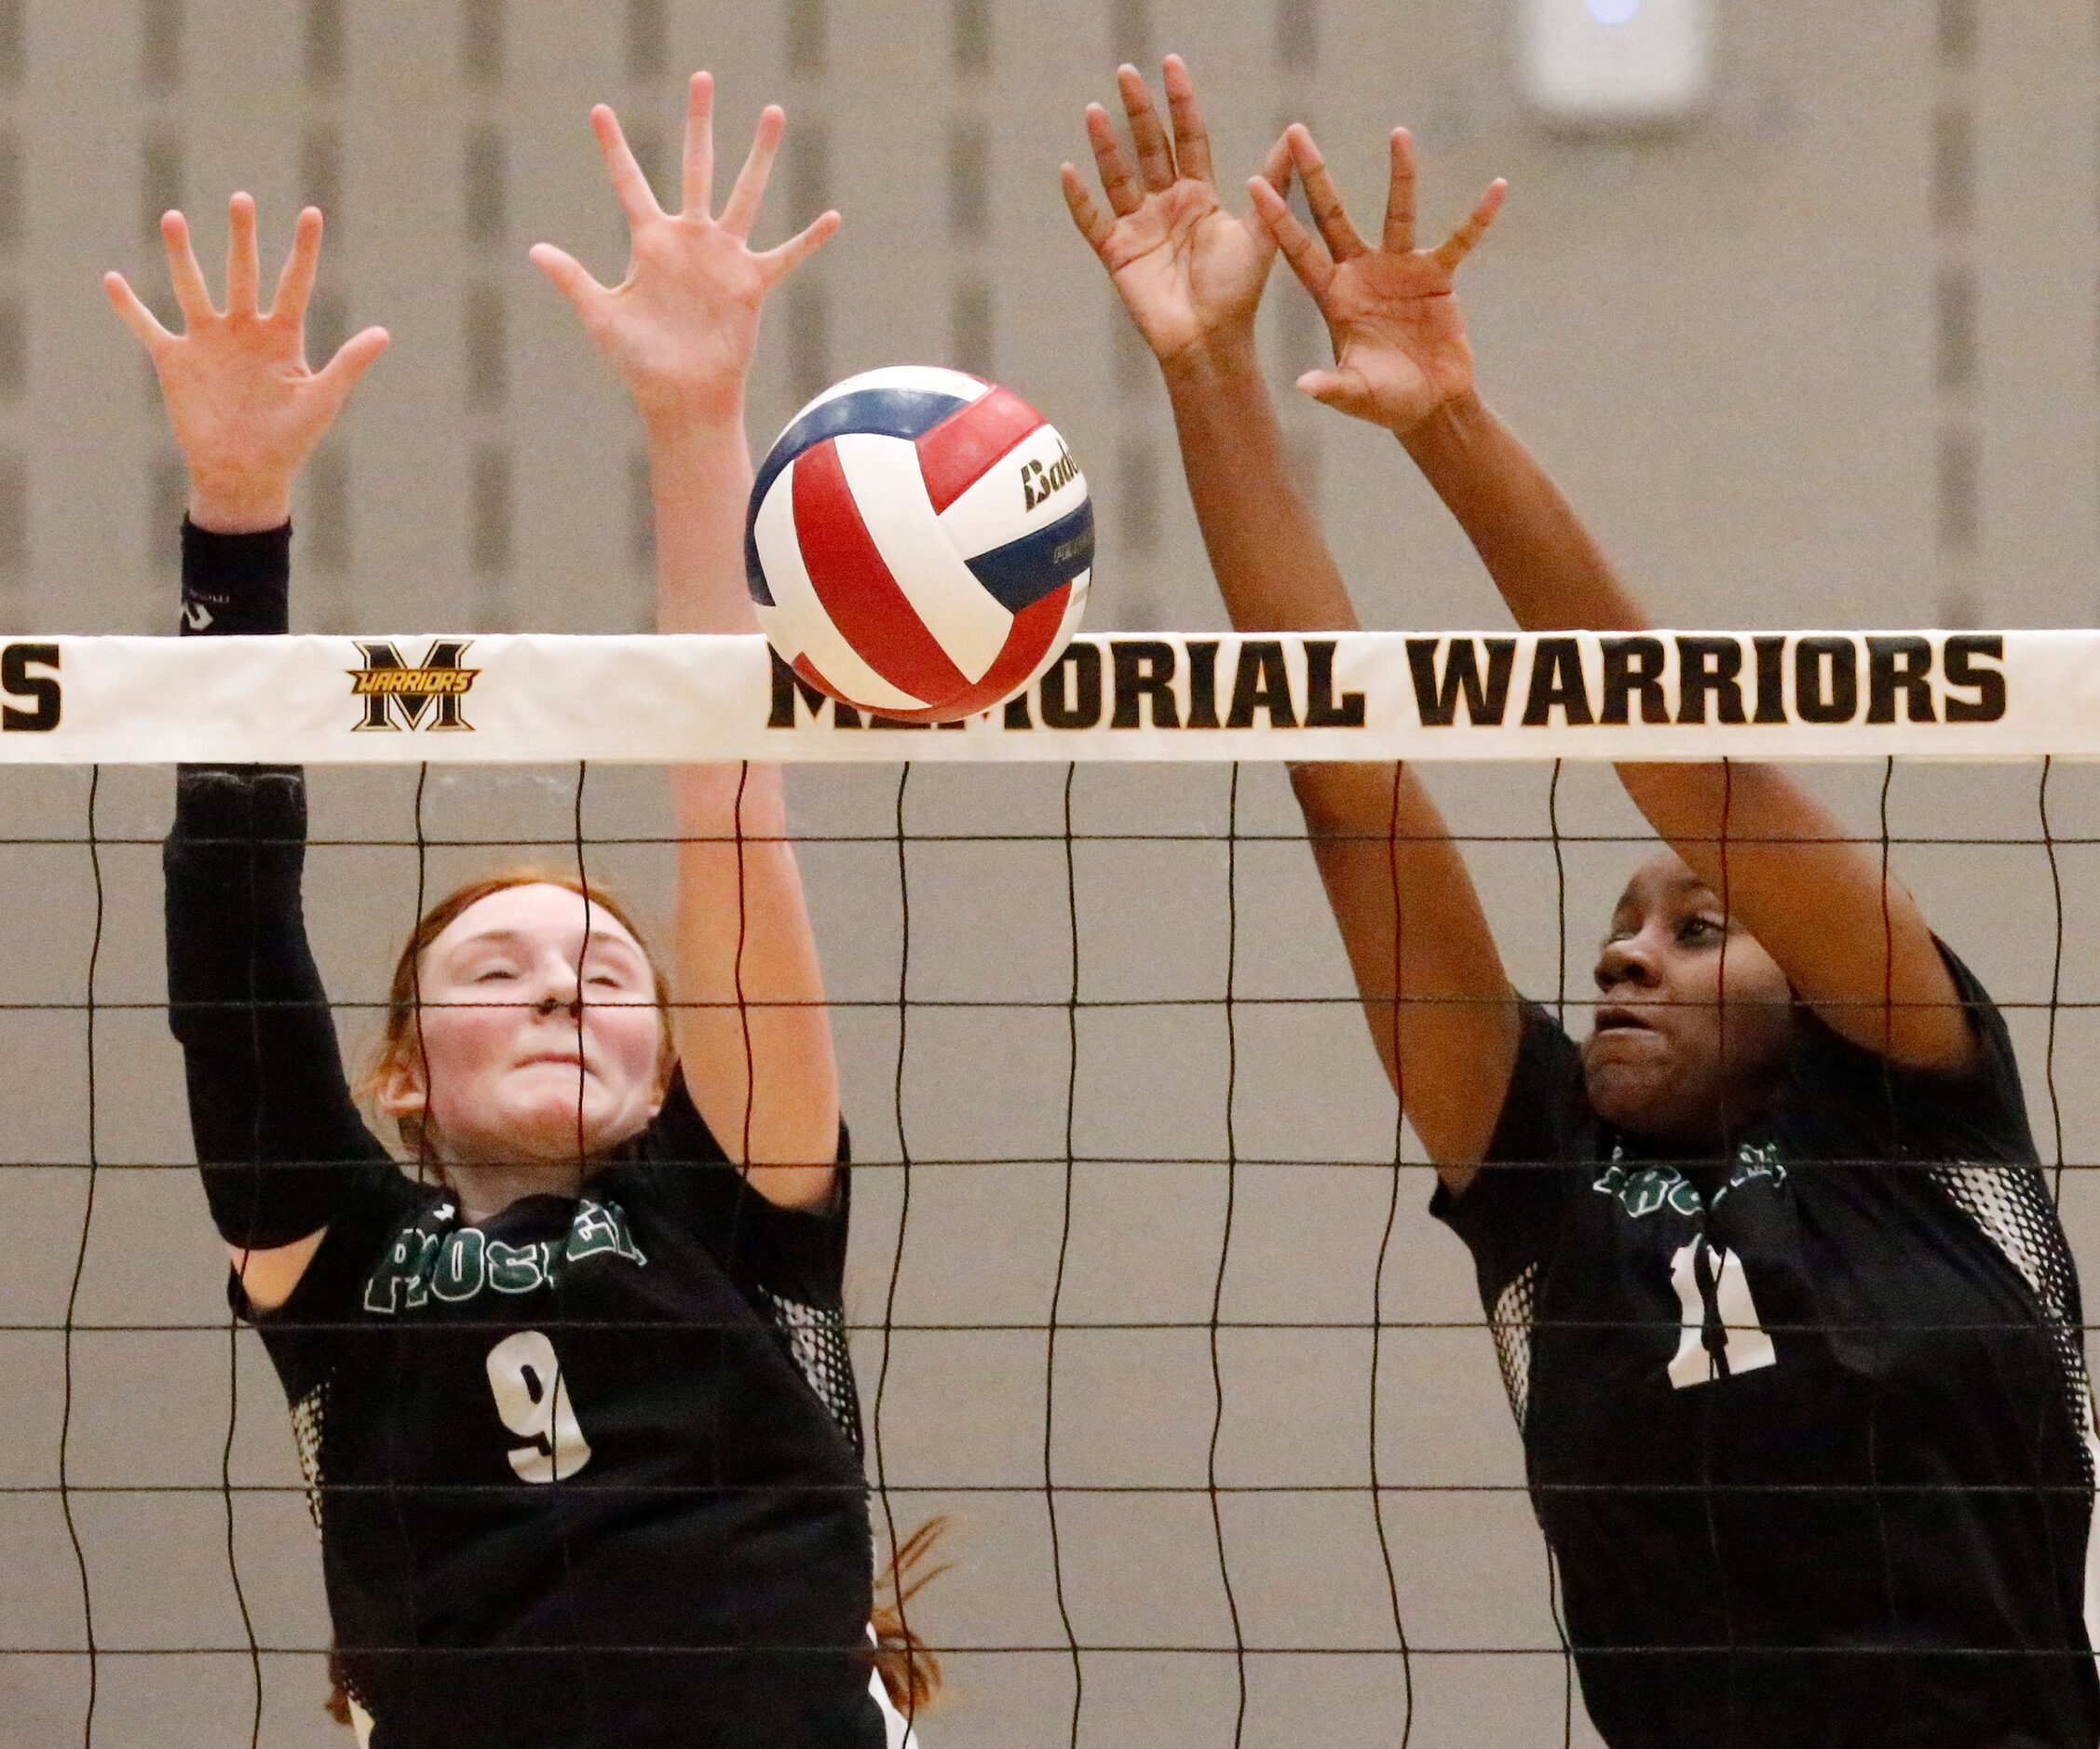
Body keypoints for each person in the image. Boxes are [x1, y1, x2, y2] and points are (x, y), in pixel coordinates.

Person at [1064, 56, 2100, 1749]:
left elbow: (1690, 763)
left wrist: (1448, 424)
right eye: (1626, 926)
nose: (1627, 949)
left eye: (1699, 928)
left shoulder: (1926, 1119)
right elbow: (1352, 790)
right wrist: (1206, 372)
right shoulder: (1553, 1189)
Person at [111, 74, 929, 1749]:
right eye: (503, 967)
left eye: (609, 972)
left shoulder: (740, 1204)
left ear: (669, 1054)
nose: (567, 989)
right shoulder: (341, 1258)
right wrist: (236, 526)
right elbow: (233, 944)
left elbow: (726, 788)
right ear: (401, 1069)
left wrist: (698, 421)